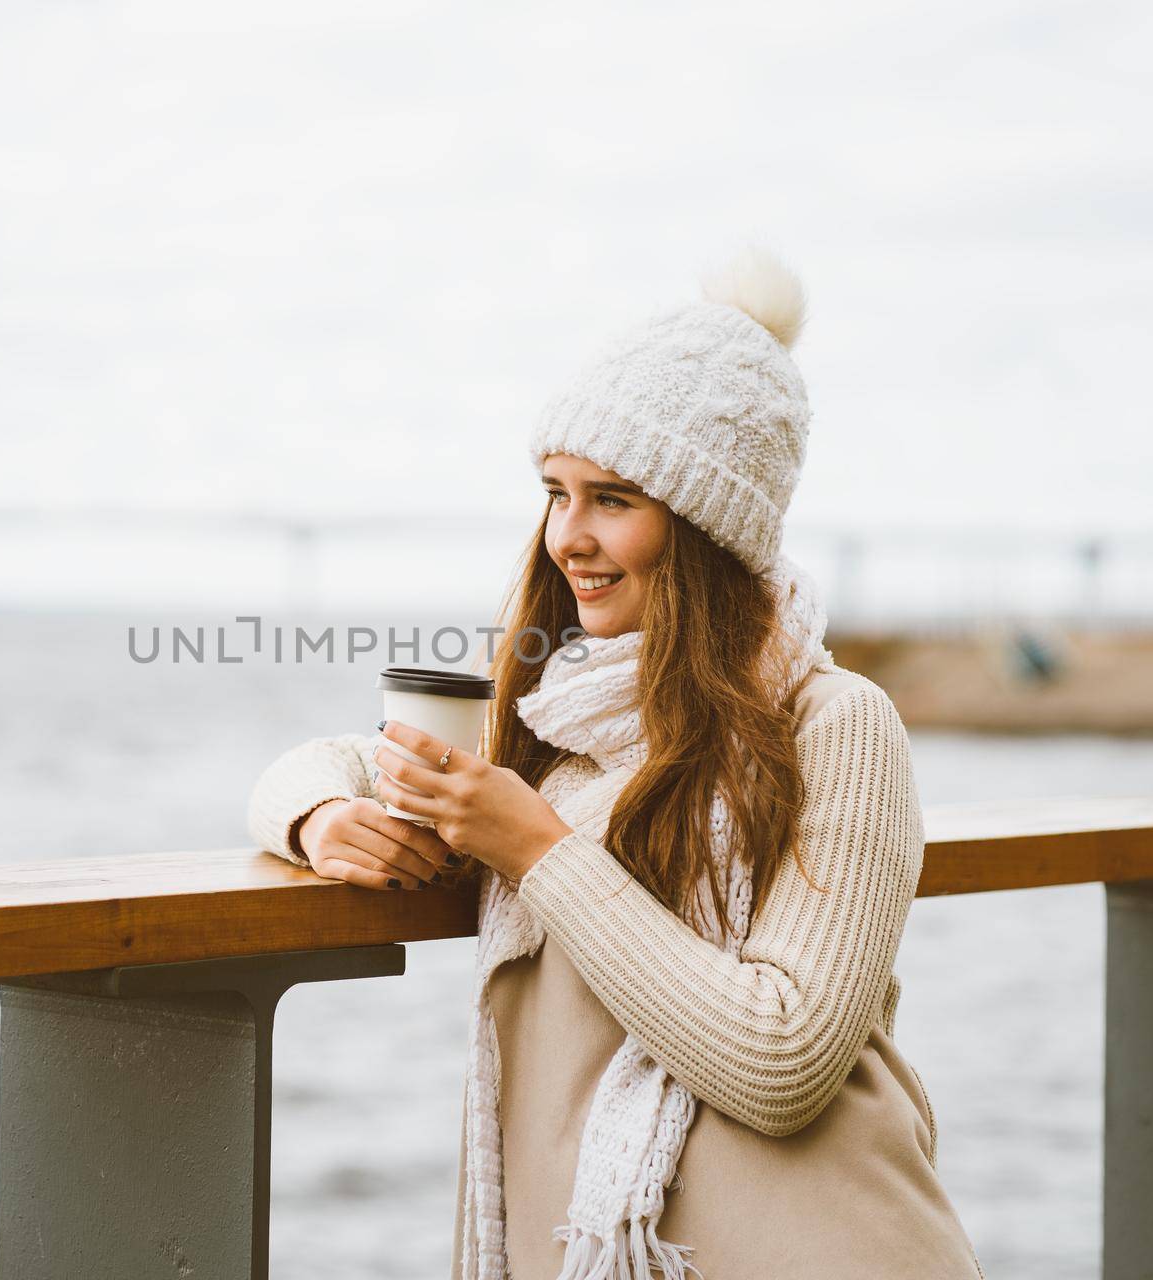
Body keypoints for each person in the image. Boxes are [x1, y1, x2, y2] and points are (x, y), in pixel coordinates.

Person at [245, 245, 986, 1279]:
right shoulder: (546, 706)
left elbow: (784, 1060)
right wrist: (319, 817)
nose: (567, 537)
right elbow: (324, 762)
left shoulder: (838, 723)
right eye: (556, 492)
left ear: (704, 527)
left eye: (613, 500)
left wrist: (536, 849)